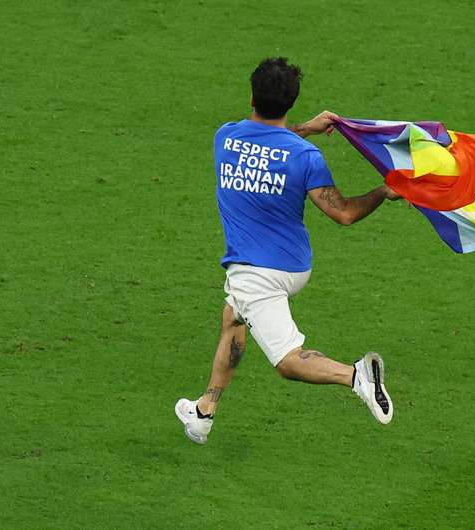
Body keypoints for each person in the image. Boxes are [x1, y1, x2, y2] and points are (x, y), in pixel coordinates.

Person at [176, 57, 400, 444]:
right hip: (293, 264)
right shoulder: (304, 157)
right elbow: (343, 213)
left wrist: (303, 130)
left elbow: (264, 142)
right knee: (233, 319)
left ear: (251, 96)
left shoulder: (224, 137)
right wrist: (382, 190)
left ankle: (357, 375)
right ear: (291, 103)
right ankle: (204, 411)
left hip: (256, 272)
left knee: (287, 362)